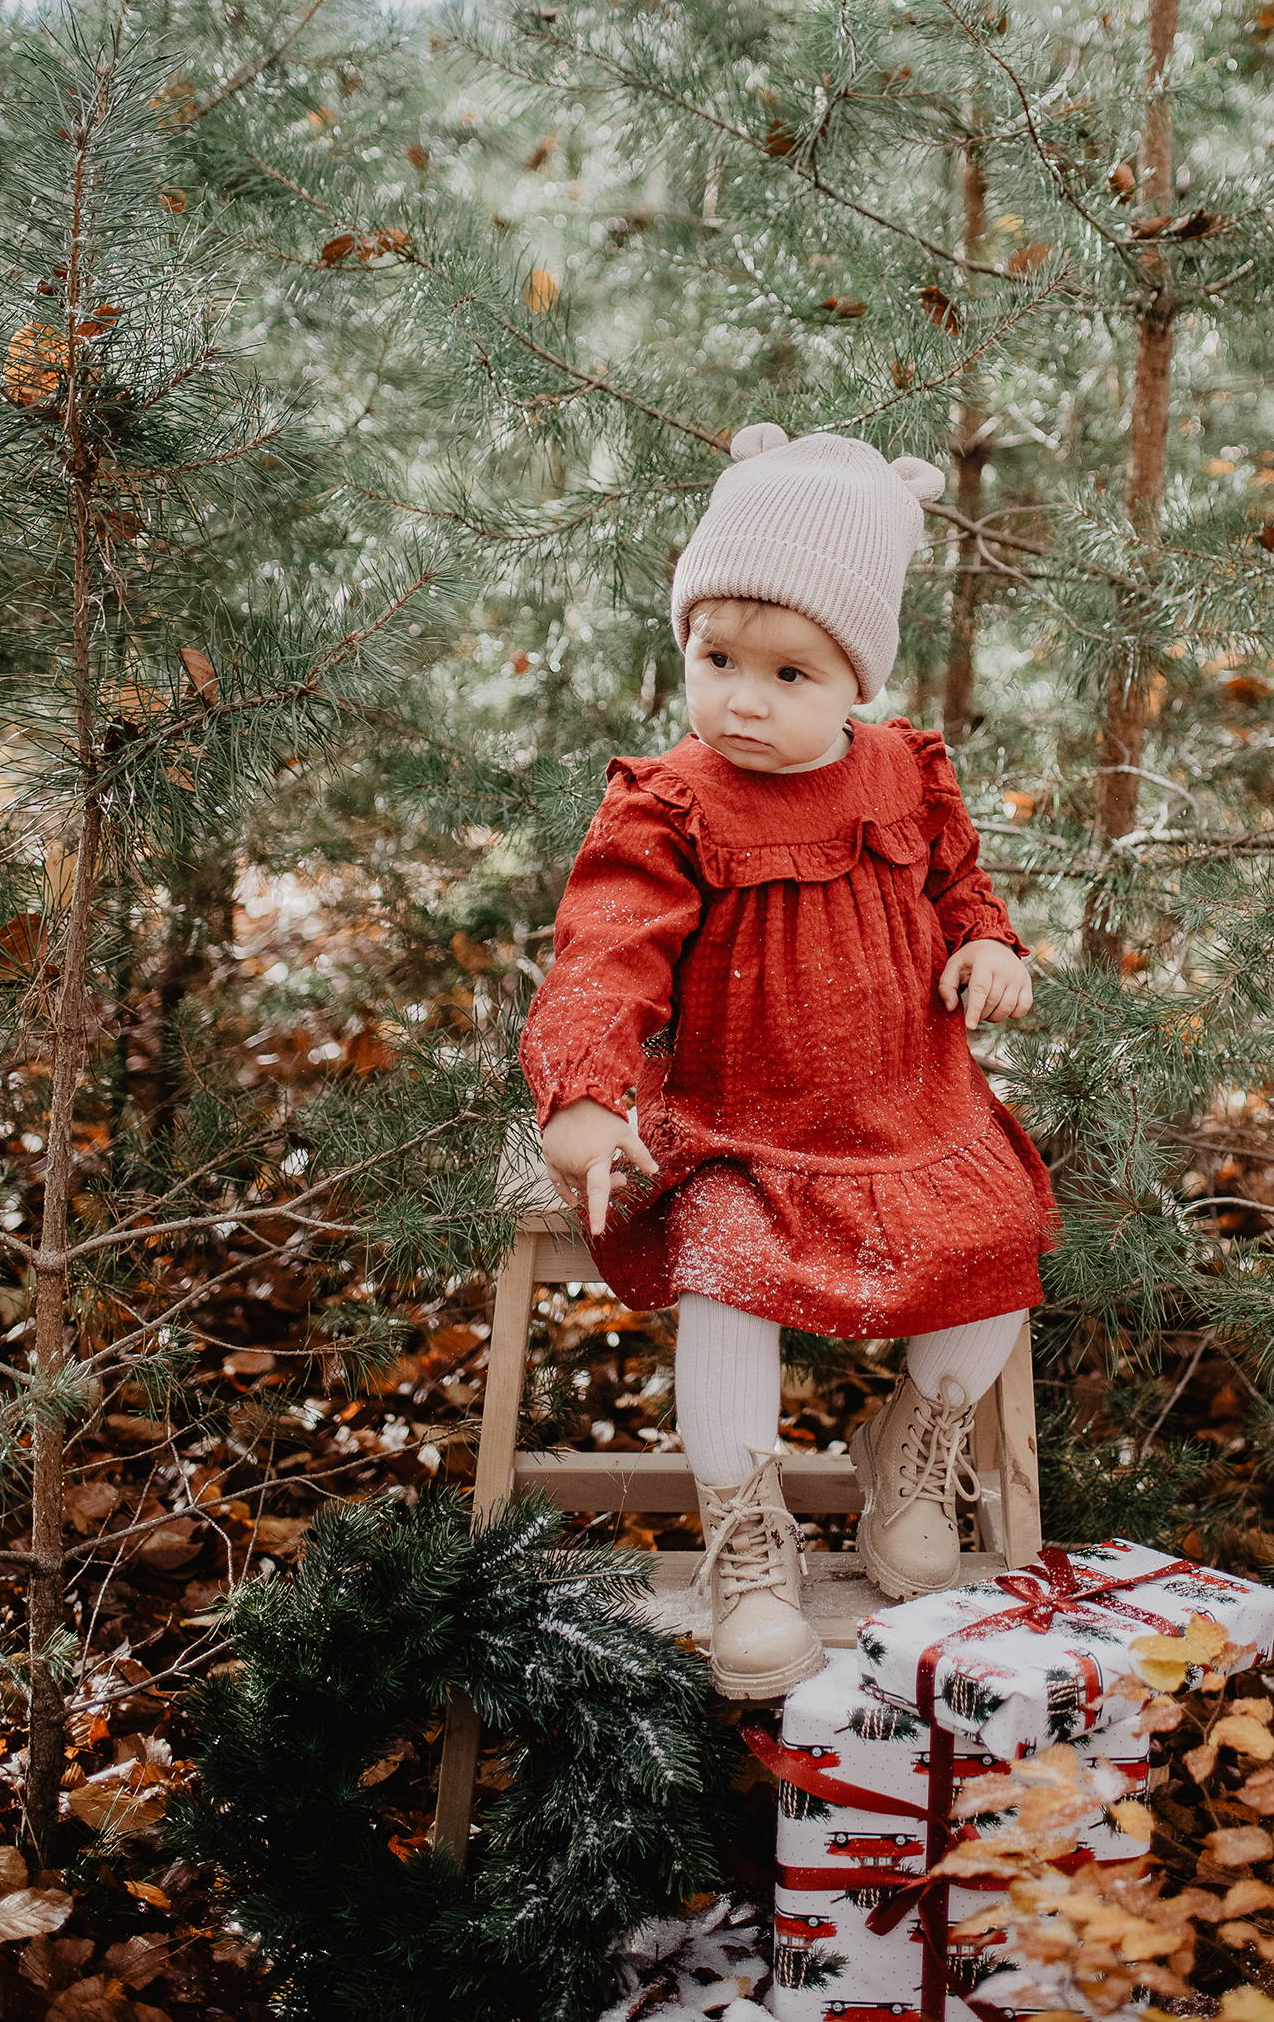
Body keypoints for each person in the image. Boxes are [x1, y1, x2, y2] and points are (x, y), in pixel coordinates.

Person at [520, 423, 1054, 1697]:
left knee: (1003, 1245)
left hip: (908, 1100)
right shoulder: (671, 802)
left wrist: (992, 947)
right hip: (738, 1116)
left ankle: (910, 1446)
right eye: (716, 659)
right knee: (728, 1277)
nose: (742, 699)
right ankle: (744, 1538)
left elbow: (964, 888)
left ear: (857, 674)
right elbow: (606, 952)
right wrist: (586, 1095)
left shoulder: (907, 772)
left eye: (788, 673)